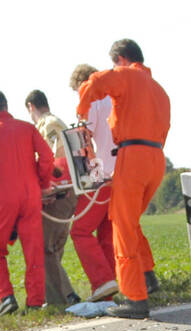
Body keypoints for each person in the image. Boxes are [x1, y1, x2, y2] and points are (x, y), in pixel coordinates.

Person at [76, 38, 170, 319]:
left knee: (122, 223)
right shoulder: (159, 89)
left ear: (120, 59)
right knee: (133, 220)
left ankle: (135, 298)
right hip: (157, 158)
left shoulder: (127, 75)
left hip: (133, 156)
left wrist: (81, 112)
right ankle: (148, 275)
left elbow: (94, 83)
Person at [0, 89, 54, 314]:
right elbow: (47, 158)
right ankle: (35, 302)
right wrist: (41, 181)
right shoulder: (27, 129)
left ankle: (6, 297)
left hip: (1, 197)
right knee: (33, 249)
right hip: (30, 194)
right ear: (6, 105)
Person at [24, 90, 81, 307]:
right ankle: (66, 293)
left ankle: (61, 297)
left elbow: (50, 159)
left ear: (31, 106)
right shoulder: (58, 122)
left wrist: (44, 187)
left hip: (58, 191)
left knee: (45, 247)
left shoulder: (48, 125)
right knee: (54, 248)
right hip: (67, 190)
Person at [68, 63, 119, 301]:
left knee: (80, 231)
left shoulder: (91, 102)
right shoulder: (115, 98)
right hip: (124, 172)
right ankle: (114, 284)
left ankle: (102, 282)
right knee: (108, 234)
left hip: (102, 175)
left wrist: (86, 174)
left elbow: (84, 140)